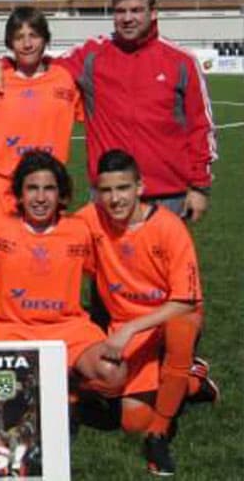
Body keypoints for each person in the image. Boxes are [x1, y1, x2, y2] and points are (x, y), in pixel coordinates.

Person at [0, 0, 216, 222]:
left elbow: (202, 127)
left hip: (167, 193)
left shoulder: (182, 61)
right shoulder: (92, 56)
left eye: (136, 10)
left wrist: (199, 187)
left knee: (165, 261)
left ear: (153, 13)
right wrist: (0, 62)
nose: (127, 18)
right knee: (106, 262)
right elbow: (38, 62)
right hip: (107, 192)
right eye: (120, 11)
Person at [78, 149, 219, 476]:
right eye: (107, 190)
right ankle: (194, 382)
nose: (115, 199)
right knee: (132, 420)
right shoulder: (89, 218)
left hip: (169, 318)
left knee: (181, 326)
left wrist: (130, 329)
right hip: (126, 325)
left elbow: (185, 300)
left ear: (140, 187)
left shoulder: (168, 227)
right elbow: (57, 239)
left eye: (123, 188)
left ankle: (158, 436)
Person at [0, 151, 127, 401]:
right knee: (5, 395)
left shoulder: (80, 229)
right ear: (19, 194)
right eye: (32, 188)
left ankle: (72, 387)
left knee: (113, 373)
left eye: (49, 189)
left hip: (69, 330)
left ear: (61, 195)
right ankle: (60, 387)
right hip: (13, 330)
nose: (40, 198)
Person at [0, 6, 82, 215]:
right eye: (19, 37)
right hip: (2, 189)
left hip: (47, 190)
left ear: (46, 39)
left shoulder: (65, 79)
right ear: (9, 43)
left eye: (34, 36)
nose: (27, 44)